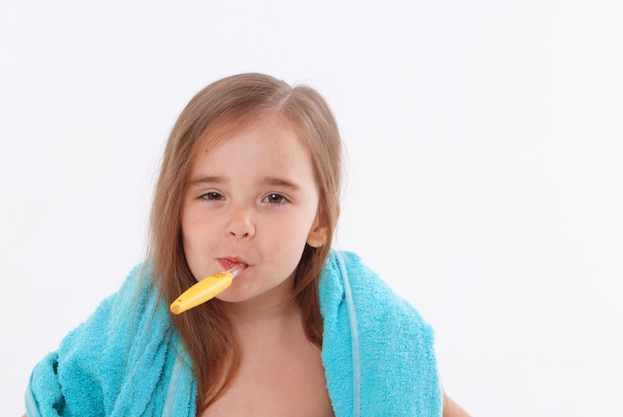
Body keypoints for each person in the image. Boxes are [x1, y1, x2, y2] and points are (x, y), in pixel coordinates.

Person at [23, 73, 470, 416]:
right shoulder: (134, 332)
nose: (240, 225)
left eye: (274, 198)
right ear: (176, 209)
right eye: (212, 195)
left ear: (319, 222)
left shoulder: (370, 337)